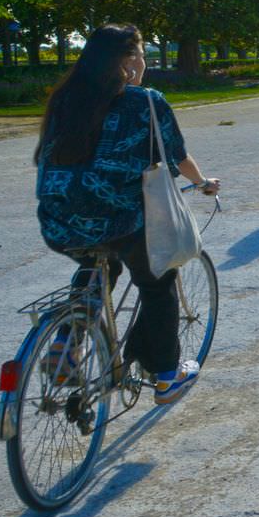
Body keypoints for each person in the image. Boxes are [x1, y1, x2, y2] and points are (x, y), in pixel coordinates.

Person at [34, 24, 220, 404]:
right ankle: (167, 375)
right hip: (122, 218)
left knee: (97, 263)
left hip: (59, 218)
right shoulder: (144, 101)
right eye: (140, 53)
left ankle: (66, 341)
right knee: (157, 280)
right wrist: (203, 183)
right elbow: (177, 156)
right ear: (128, 60)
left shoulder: (65, 98)